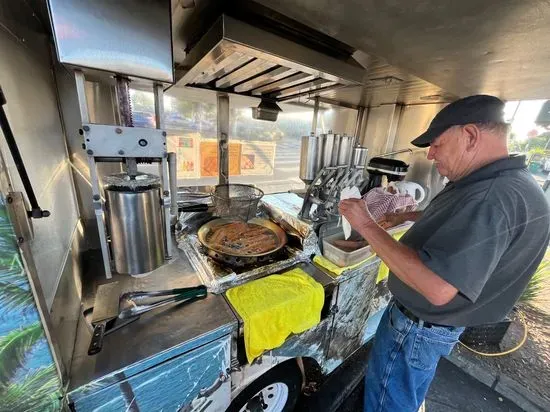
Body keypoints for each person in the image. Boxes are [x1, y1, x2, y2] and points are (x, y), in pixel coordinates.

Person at [339, 95, 550, 412]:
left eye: (436, 143)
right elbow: (462, 225)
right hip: (434, 328)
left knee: (388, 403)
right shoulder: (500, 182)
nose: (430, 153)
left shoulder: (493, 196)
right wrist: (406, 216)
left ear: (470, 136)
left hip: (417, 328)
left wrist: (367, 225)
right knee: (404, 395)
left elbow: (438, 288)